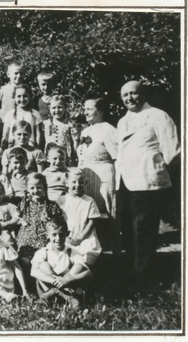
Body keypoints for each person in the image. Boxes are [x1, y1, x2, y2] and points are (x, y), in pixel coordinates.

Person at [116, 81, 180, 278]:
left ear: (143, 94)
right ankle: (132, 272)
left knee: (144, 231)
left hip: (148, 183)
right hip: (125, 183)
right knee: (127, 230)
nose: (129, 99)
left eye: (134, 94)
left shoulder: (158, 116)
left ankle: (144, 277)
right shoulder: (122, 121)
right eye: (125, 95)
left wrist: (160, 175)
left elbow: (173, 152)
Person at [77, 98, 119, 254]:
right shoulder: (86, 131)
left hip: (104, 177)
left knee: (108, 212)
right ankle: (93, 250)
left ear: (101, 111)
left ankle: (114, 250)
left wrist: (118, 182)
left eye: (89, 109)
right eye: (85, 109)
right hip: (87, 177)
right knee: (90, 213)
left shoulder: (108, 129)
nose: (85, 112)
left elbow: (117, 157)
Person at [31, 216, 93, 310]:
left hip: (68, 287)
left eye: (61, 234)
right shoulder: (42, 252)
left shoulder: (72, 252)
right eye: (54, 235)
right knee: (44, 265)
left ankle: (57, 294)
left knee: (78, 266)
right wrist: (54, 280)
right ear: (47, 235)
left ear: (67, 234)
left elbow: (89, 273)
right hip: (48, 290)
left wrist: (68, 279)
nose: (58, 238)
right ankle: (67, 298)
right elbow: (33, 271)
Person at [56, 168, 102, 265]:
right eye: (74, 182)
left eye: (81, 182)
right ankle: (71, 275)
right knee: (63, 257)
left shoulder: (89, 201)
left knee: (86, 255)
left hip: (85, 235)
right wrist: (64, 236)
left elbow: (92, 221)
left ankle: (80, 273)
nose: (77, 185)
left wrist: (81, 237)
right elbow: (57, 221)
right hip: (67, 236)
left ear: (85, 183)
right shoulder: (61, 200)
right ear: (66, 183)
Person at [1, 84, 42, 150]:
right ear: (14, 98)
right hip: (13, 147)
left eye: (25, 96)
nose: (22, 99)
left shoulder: (35, 113)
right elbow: (5, 135)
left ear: (30, 97)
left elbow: (38, 134)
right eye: (19, 96)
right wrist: (3, 149)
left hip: (30, 147)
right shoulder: (10, 114)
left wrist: (37, 148)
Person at [38, 95, 76, 161]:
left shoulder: (69, 125)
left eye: (60, 107)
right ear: (49, 109)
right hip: (49, 159)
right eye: (54, 108)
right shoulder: (45, 124)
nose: (57, 110)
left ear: (65, 108)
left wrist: (74, 157)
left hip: (64, 158)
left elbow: (74, 143)